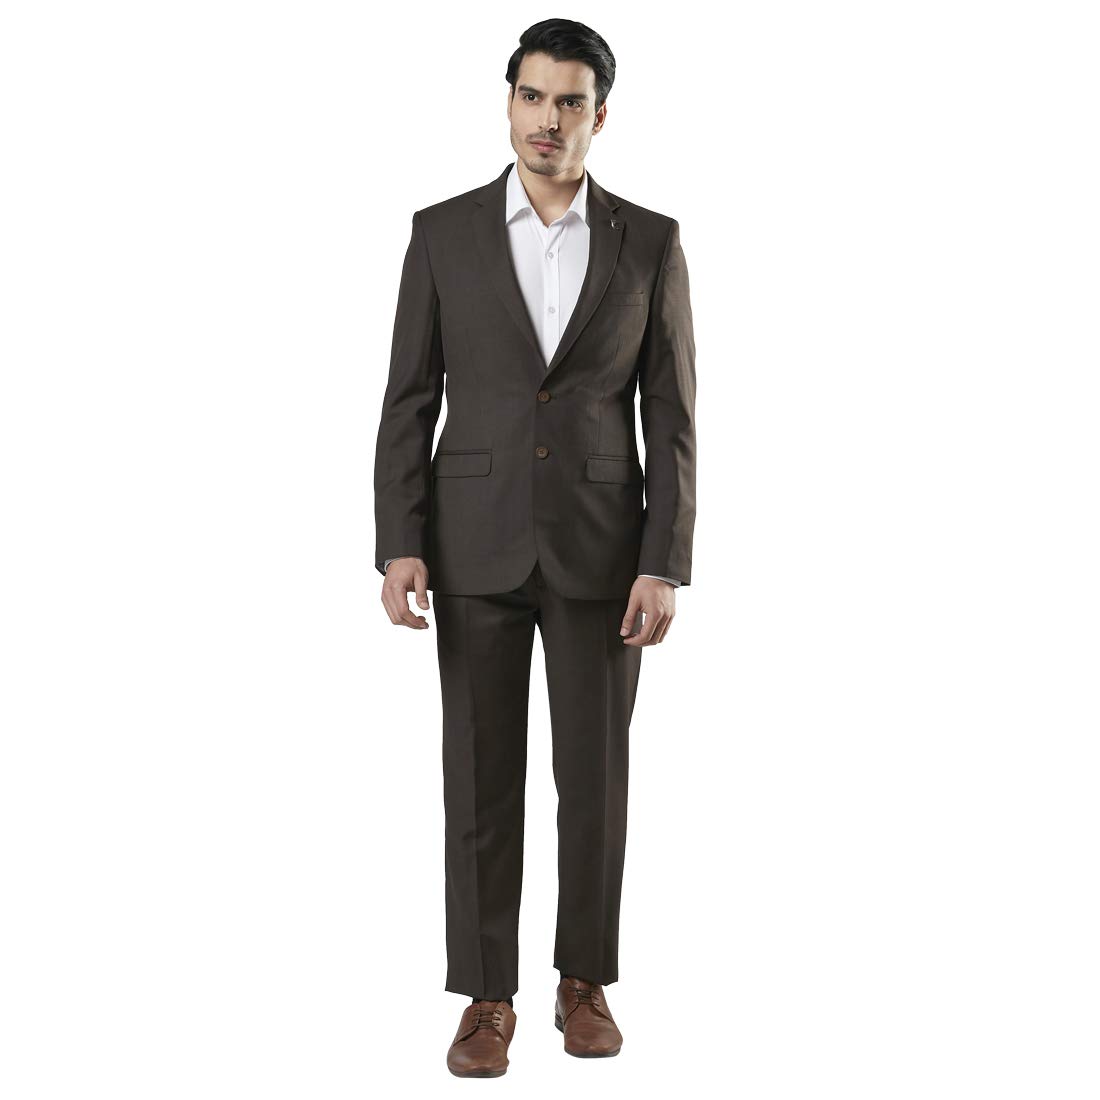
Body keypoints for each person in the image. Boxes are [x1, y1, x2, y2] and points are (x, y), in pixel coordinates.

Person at [373, 18, 697, 1078]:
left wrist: (663, 558)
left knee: (593, 782)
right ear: (507, 100)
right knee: (478, 780)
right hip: (470, 545)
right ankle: (486, 997)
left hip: (605, 553)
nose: (547, 120)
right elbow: (408, 397)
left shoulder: (649, 241)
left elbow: (672, 414)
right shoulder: (442, 232)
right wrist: (398, 540)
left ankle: (583, 981)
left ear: (601, 115)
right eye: (531, 96)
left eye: (569, 102)